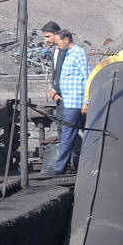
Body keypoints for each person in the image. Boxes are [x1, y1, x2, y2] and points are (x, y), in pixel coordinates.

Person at [43, 30, 88, 176]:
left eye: (58, 42)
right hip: (69, 101)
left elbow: (87, 76)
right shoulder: (66, 54)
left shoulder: (79, 53)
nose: (57, 46)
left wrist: (86, 102)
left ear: (66, 39)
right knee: (71, 134)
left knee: (68, 135)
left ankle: (59, 168)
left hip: (76, 101)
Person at [41, 21, 66, 137]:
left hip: (66, 94)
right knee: (61, 128)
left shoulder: (65, 50)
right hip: (60, 96)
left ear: (56, 33)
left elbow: (64, 72)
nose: (46, 40)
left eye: (48, 36)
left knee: (67, 128)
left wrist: (56, 89)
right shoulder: (56, 50)